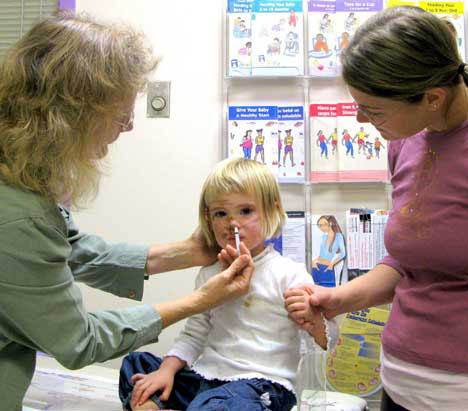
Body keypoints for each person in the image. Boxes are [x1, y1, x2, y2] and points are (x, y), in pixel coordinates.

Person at [0, 13, 255, 411]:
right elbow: (78, 341)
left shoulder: (20, 172)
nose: (131, 125)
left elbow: (74, 250)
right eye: (121, 113)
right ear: (72, 113)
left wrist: (189, 252)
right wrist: (199, 301)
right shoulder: (16, 214)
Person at [285, 6, 468, 411]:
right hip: (402, 380)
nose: (360, 118)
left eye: (374, 109)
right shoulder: (407, 142)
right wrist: (338, 298)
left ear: (432, 97)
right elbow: (409, 260)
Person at [119, 158, 339, 411]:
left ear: (272, 211)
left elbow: (328, 341)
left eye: (245, 211)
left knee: (223, 403)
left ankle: (158, 406)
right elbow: (194, 333)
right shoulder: (210, 274)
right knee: (137, 365)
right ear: (209, 219)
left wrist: (314, 323)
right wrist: (166, 371)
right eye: (221, 213)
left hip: (262, 385)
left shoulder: (289, 273)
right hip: (206, 378)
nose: (232, 222)